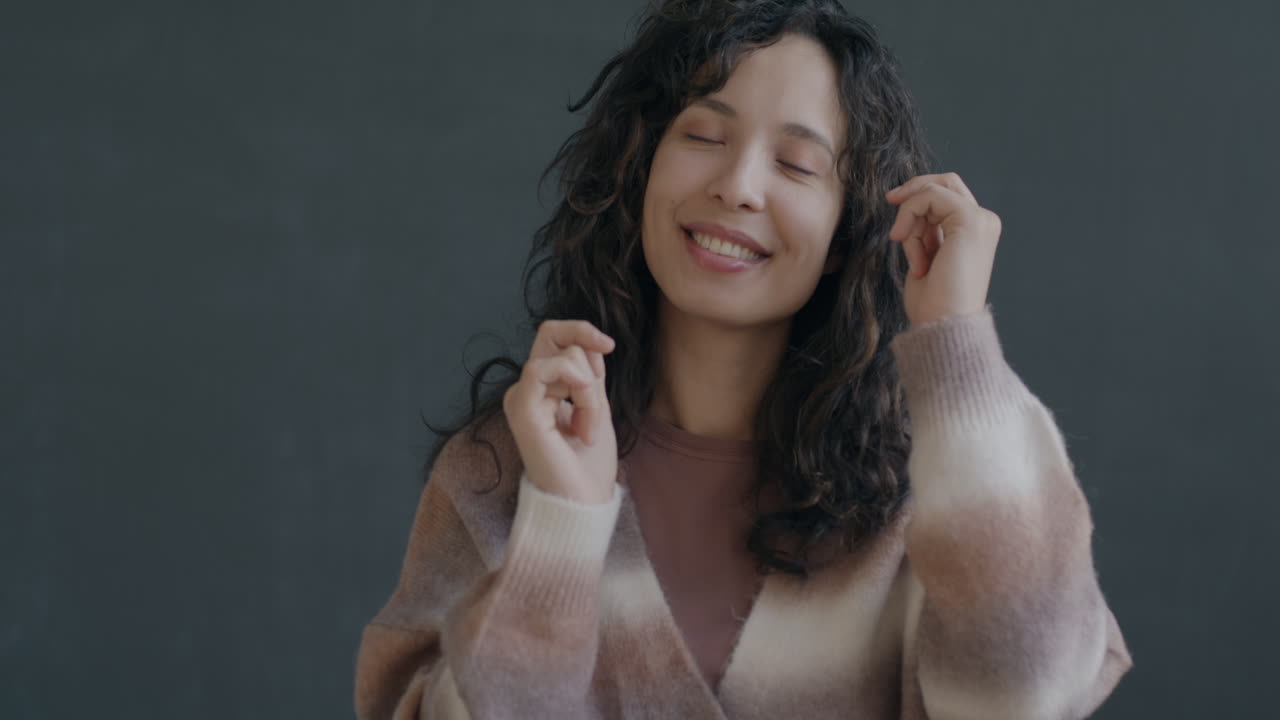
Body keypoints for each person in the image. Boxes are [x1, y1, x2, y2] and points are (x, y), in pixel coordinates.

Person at [354, 0, 1133, 717]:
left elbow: (1026, 693)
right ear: (639, 168)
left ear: (846, 235)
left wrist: (955, 341)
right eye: (703, 136)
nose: (738, 187)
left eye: (796, 165)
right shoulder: (503, 470)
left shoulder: (930, 488)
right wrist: (561, 526)